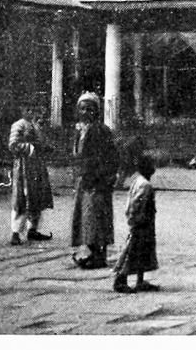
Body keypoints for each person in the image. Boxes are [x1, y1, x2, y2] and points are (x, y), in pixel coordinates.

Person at [71, 92, 119, 269]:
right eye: (82, 109)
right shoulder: (80, 131)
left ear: (96, 111)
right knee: (86, 219)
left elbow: (111, 157)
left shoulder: (101, 131)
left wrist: (103, 176)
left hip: (97, 182)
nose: (85, 112)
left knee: (97, 218)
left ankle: (100, 255)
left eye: (90, 109)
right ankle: (92, 252)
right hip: (84, 180)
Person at [113, 153, 159, 293]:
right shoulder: (146, 185)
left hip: (140, 222)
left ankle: (139, 281)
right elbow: (137, 205)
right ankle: (120, 279)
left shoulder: (138, 181)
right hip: (141, 223)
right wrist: (137, 220)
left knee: (142, 252)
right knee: (133, 252)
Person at [8, 107, 54, 246]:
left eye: (32, 110)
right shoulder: (18, 125)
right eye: (27, 109)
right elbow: (13, 145)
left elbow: (41, 143)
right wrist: (31, 147)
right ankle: (15, 233)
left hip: (37, 167)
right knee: (21, 198)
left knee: (36, 197)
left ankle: (32, 230)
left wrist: (45, 147)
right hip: (24, 167)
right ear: (22, 110)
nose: (31, 112)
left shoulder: (36, 125)